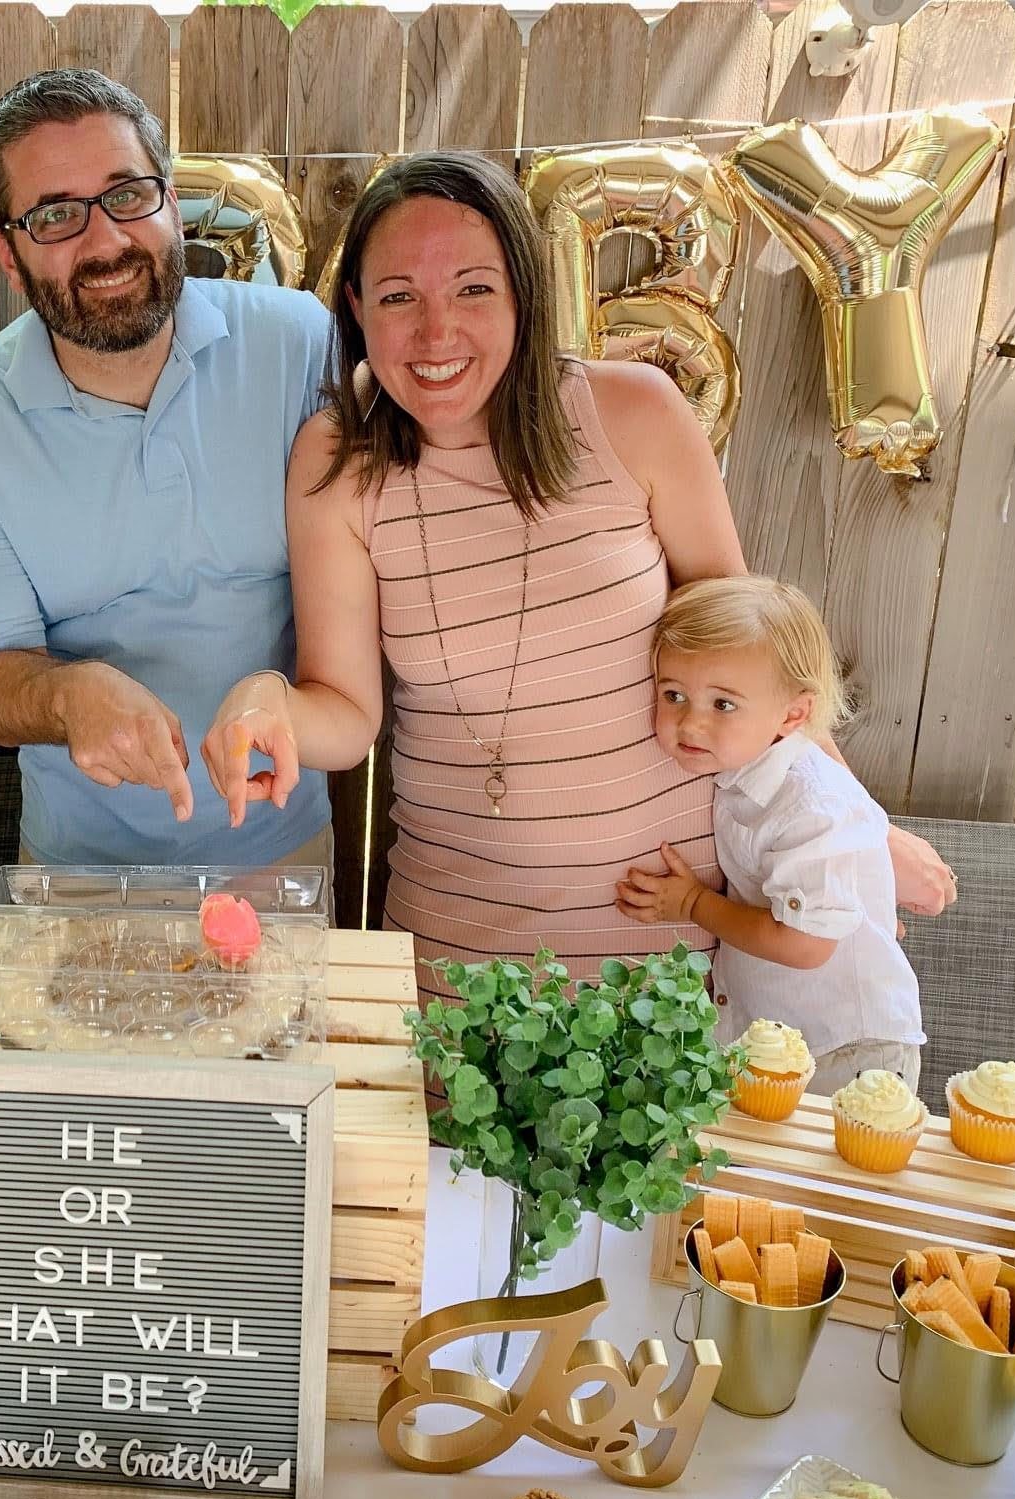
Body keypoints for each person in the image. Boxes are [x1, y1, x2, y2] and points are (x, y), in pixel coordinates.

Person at [203, 152, 955, 1000]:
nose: (436, 333)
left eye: (474, 290)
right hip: (455, 951)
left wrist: (857, 830)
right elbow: (342, 713)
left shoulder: (636, 412)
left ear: (525, 295)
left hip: (668, 940)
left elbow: (754, 662)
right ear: (357, 308)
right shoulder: (337, 459)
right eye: (399, 297)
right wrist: (267, 700)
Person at [0, 68, 336, 877]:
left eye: (128, 194)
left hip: (283, 853)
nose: (105, 241)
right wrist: (69, 695)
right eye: (55, 215)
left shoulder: (300, 344)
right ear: (7, 253)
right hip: (76, 871)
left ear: (172, 202)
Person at [615, 577, 923, 1091]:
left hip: (844, 1049)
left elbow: (804, 945)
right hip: (783, 1045)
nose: (690, 723)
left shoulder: (812, 805)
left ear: (793, 714)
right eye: (674, 695)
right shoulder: (742, 771)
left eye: (723, 704)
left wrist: (693, 903)